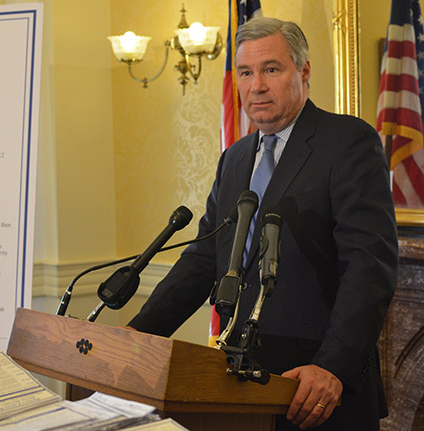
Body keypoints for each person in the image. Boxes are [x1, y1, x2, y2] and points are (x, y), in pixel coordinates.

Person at [127, 16, 398, 430]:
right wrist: (134, 338)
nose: (256, 86)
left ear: (303, 71)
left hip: (312, 387)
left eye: (271, 69)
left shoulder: (347, 142)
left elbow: (369, 267)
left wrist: (332, 367)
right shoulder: (234, 158)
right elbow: (204, 259)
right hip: (238, 381)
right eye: (246, 72)